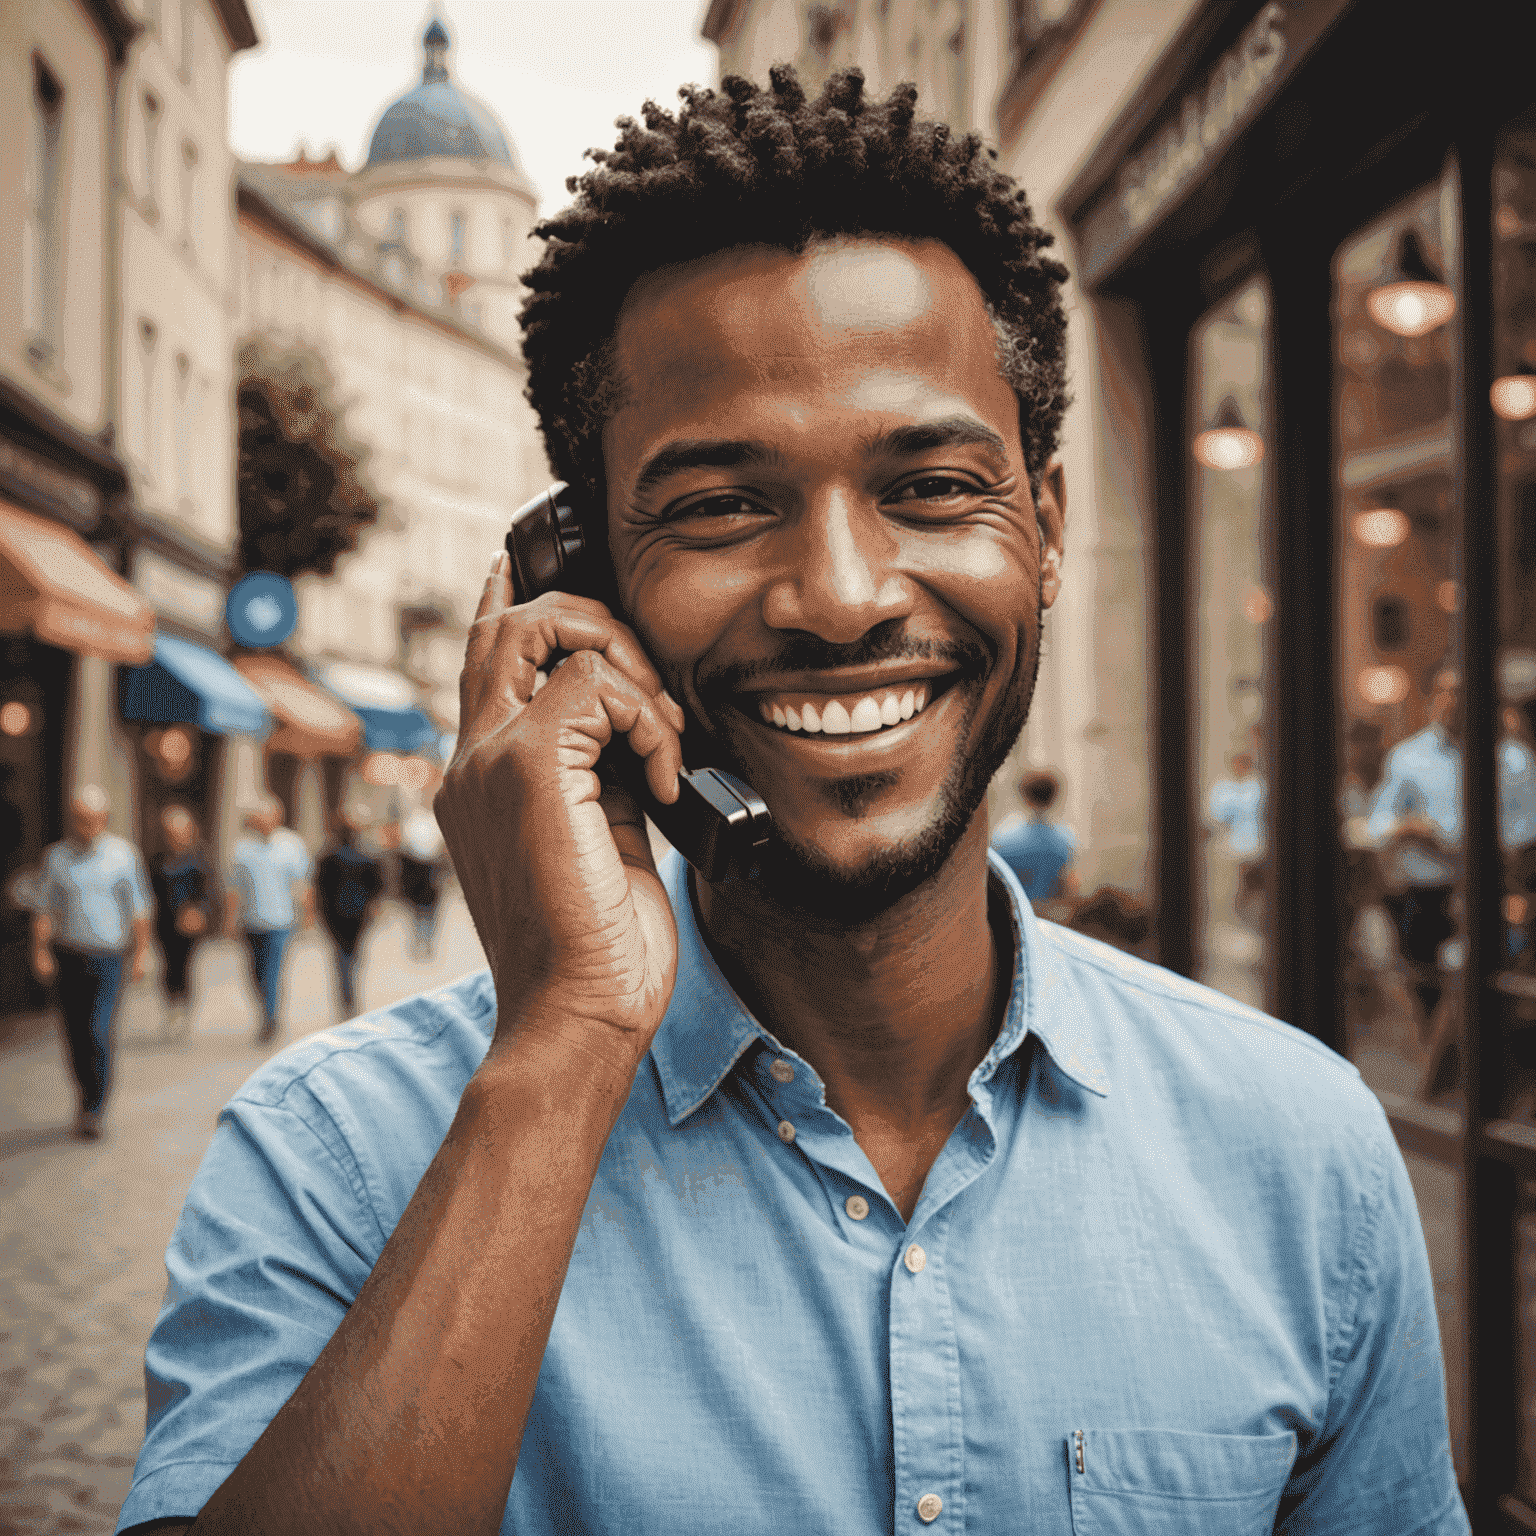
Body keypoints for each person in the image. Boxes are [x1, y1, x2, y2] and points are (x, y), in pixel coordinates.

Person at [118, 70, 1467, 1535]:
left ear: (1050, 529)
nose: (840, 596)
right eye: (719, 505)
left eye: (935, 485)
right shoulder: (336, 1162)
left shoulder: (1299, 1150)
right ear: (582, 586)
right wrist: (564, 1049)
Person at [1365, 668, 1536, 1022]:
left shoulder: (1513, 759)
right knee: (1428, 995)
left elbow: (1527, 827)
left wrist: (1463, 841)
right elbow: (1378, 823)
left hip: (1493, 891)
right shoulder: (1408, 756)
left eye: (1460, 692)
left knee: (1488, 999)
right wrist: (1408, 827)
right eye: (1445, 692)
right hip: (1427, 895)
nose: (1452, 701)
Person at [28, 785, 151, 1139]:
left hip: (109, 958)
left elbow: (139, 910)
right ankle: (84, 1097)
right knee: (75, 1035)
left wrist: (141, 954)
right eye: (81, 819)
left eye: (94, 819)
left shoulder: (123, 855)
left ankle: (96, 1106)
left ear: (105, 819)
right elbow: (44, 909)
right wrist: (39, 951)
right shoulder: (56, 858)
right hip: (69, 956)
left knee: (98, 1031)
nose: (88, 826)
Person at [225, 796, 313, 1045]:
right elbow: (234, 889)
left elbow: (301, 883)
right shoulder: (241, 849)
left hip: (282, 921)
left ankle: (270, 1017)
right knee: (255, 973)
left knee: (273, 971)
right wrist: (230, 920)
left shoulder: (291, 845)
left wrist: (307, 913)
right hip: (251, 921)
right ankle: (266, 1008)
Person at [148, 805, 219, 1040]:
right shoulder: (157, 859)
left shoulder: (200, 856)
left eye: (179, 830)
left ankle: (183, 1009)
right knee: (168, 965)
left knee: (185, 965)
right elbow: (150, 891)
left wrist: (200, 912)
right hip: (165, 922)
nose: (176, 836)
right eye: (171, 831)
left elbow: (209, 891)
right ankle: (172, 1007)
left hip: (191, 922)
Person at [314, 806, 384, 1020]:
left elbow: (320, 887)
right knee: (352, 957)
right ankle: (349, 997)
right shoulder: (366, 856)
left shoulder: (328, 856)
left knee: (341, 957)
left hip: (335, 914)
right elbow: (377, 887)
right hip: (358, 914)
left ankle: (347, 999)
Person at [990, 767, 1078, 903]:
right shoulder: (1065, 841)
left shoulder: (1004, 839)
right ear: (1054, 798)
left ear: (1025, 797)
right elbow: (1068, 886)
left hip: (1017, 913)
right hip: (1050, 915)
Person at [1207, 747, 1267, 928]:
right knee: (1233, 888)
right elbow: (1218, 819)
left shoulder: (1258, 786)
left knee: (1253, 887)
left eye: (1245, 762)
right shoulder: (1224, 789)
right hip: (1233, 849)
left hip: (1256, 847)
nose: (1241, 766)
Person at [397, 804, 446, 960]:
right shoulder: (433, 860)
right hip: (428, 889)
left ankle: (421, 940)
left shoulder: (409, 859)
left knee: (419, 916)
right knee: (429, 916)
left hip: (418, 889)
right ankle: (425, 941)